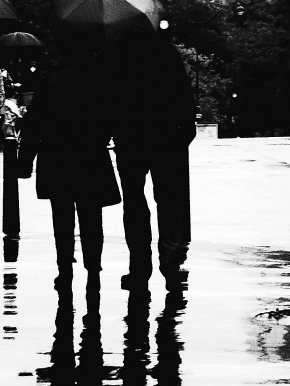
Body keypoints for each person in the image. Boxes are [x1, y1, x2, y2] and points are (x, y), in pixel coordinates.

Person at [16, 41, 121, 295]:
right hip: (89, 155)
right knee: (91, 216)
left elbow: (34, 122)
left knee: (61, 217)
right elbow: (111, 117)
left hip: (56, 154)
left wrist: (25, 160)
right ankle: (93, 267)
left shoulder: (48, 80)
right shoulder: (98, 80)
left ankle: (64, 268)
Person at [105, 30, 196, 290]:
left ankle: (139, 265)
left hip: (130, 139)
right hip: (166, 138)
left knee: (134, 202)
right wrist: (184, 131)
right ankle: (169, 260)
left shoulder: (117, 55)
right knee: (169, 200)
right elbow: (183, 94)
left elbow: (109, 98)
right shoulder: (166, 54)